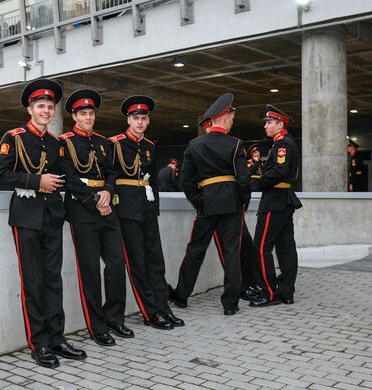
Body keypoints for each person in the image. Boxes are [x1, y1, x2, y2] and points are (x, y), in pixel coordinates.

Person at [0, 79, 86, 369]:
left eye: (49, 107)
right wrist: (37, 180)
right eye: (41, 106)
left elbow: (69, 177)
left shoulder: (58, 144)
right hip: (26, 216)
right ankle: (40, 343)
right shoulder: (15, 137)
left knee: (53, 279)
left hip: (53, 215)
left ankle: (57, 337)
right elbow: (0, 175)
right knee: (33, 282)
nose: (46, 110)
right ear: (30, 109)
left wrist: (98, 196)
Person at [60, 89, 134, 347]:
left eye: (91, 113)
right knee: (90, 270)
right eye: (83, 114)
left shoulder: (104, 142)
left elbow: (112, 172)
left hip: (107, 205)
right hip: (83, 211)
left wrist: (107, 192)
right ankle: (97, 325)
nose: (88, 117)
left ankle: (115, 318)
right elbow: (68, 178)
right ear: (74, 115)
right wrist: (94, 201)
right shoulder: (65, 142)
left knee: (116, 264)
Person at [169, 93, 251, 316]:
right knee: (232, 252)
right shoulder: (236, 144)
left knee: (195, 250)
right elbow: (243, 180)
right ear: (223, 117)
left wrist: (199, 202)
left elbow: (186, 180)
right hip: (232, 204)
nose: (233, 120)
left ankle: (182, 295)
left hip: (206, 204)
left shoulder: (195, 144)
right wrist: (243, 202)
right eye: (231, 117)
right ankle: (231, 304)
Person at [108, 95, 184, 330]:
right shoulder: (115, 143)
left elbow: (153, 182)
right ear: (128, 120)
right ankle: (150, 312)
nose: (139, 122)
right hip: (127, 210)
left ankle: (163, 307)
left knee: (156, 261)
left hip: (147, 208)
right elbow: (109, 177)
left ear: (148, 121)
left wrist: (155, 208)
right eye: (135, 118)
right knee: (138, 264)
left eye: (143, 118)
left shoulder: (150, 146)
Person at [197, 117, 261, 302]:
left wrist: (243, 201)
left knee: (245, 246)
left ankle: (248, 284)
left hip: (232, 204)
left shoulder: (229, 145)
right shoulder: (200, 148)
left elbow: (241, 178)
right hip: (213, 205)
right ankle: (240, 288)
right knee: (229, 249)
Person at [250, 104, 302, 307]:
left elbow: (279, 171)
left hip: (275, 200)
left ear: (280, 124)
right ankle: (286, 291)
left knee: (261, 247)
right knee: (285, 247)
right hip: (283, 199)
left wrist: (257, 183)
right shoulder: (283, 143)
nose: (266, 126)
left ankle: (270, 292)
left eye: (270, 123)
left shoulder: (283, 144)